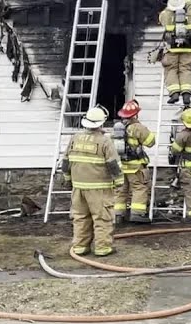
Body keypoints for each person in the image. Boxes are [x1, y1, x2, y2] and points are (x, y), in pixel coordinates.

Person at [62, 106, 122, 257]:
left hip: (78, 188)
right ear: (101, 123)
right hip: (99, 188)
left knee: (80, 217)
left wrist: (68, 180)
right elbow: (113, 165)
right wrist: (119, 182)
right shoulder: (104, 141)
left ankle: (80, 247)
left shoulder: (75, 138)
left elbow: (65, 162)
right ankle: (102, 248)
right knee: (102, 218)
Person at [114, 99, 156, 224]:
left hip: (121, 166)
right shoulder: (137, 127)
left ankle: (118, 215)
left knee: (121, 190)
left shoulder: (118, 129)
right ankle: (137, 214)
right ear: (135, 114)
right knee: (139, 188)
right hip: (135, 167)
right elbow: (151, 142)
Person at [158, 0, 191, 107]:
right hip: (188, 48)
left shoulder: (165, 15)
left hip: (171, 48)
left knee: (171, 69)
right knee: (185, 69)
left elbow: (161, 18)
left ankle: (174, 93)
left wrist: (169, 5)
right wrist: (187, 1)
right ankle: (186, 94)